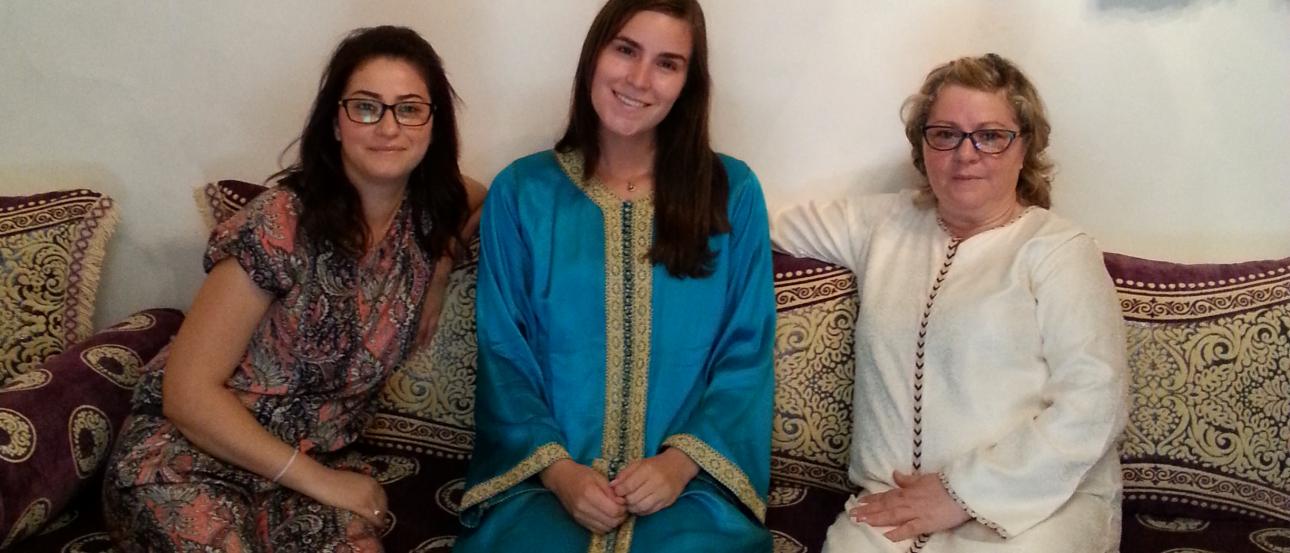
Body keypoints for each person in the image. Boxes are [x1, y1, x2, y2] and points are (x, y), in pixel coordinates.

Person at [103, 25, 484, 552]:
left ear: (433, 125)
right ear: (335, 122)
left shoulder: (425, 214)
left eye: (409, 108)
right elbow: (188, 395)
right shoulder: (277, 223)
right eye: (366, 107)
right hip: (195, 456)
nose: (388, 127)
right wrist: (324, 483)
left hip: (312, 459)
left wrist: (439, 270)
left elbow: (481, 195)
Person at [772, 53, 1127, 553]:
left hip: (1039, 504)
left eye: (991, 136)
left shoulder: (1057, 250)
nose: (966, 153)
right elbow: (754, 221)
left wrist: (962, 493)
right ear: (922, 146)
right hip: (891, 505)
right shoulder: (884, 225)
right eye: (945, 134)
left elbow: (1095, 402)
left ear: (1024, 147)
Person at [454, 1, 775, 551]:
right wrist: (560, 473)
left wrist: (678, 464)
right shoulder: (522, 193)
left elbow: (747, 352)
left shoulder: (732, 193)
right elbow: (504, 352)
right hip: (542, 486)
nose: (639, 80)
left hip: (691, 492)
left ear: (688, 83)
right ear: (594, 55)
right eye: (626, 50)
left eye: (667, 63)